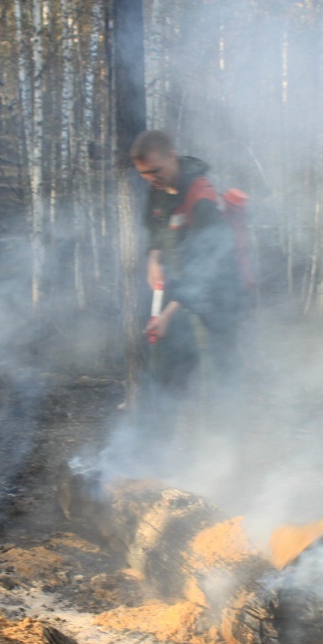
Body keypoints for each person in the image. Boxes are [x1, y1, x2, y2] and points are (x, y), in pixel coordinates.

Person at [129, 131, 243, 464]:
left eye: (155, 171)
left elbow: (207, 268)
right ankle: (161, 455)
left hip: (216, 300)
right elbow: (153, 231)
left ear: (171, 156)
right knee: (169, 373)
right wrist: (152, 260)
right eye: (144, 175)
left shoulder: (202, 197)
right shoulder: (156, 191)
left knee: (215, 378)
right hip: (180, 294)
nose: (150, 179)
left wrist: (168, 313)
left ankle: (222, 458)